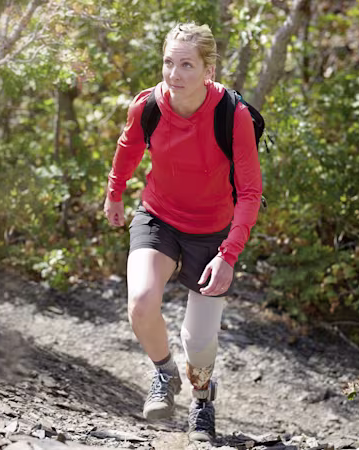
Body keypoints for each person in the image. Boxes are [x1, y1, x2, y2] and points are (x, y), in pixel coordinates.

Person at [103, 23, 262, 442]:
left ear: (208, 70)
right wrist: (114, 194)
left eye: (187, 64)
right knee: (140, 302)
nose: (174, 74)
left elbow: (249, 191)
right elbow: (128, 147)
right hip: (159, 214)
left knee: (199, 340)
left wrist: (228, 254)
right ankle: (163, 373)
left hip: (213, 231)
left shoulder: (233, 115)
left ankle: (203, 398)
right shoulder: (148, 107)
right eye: (169, 62)